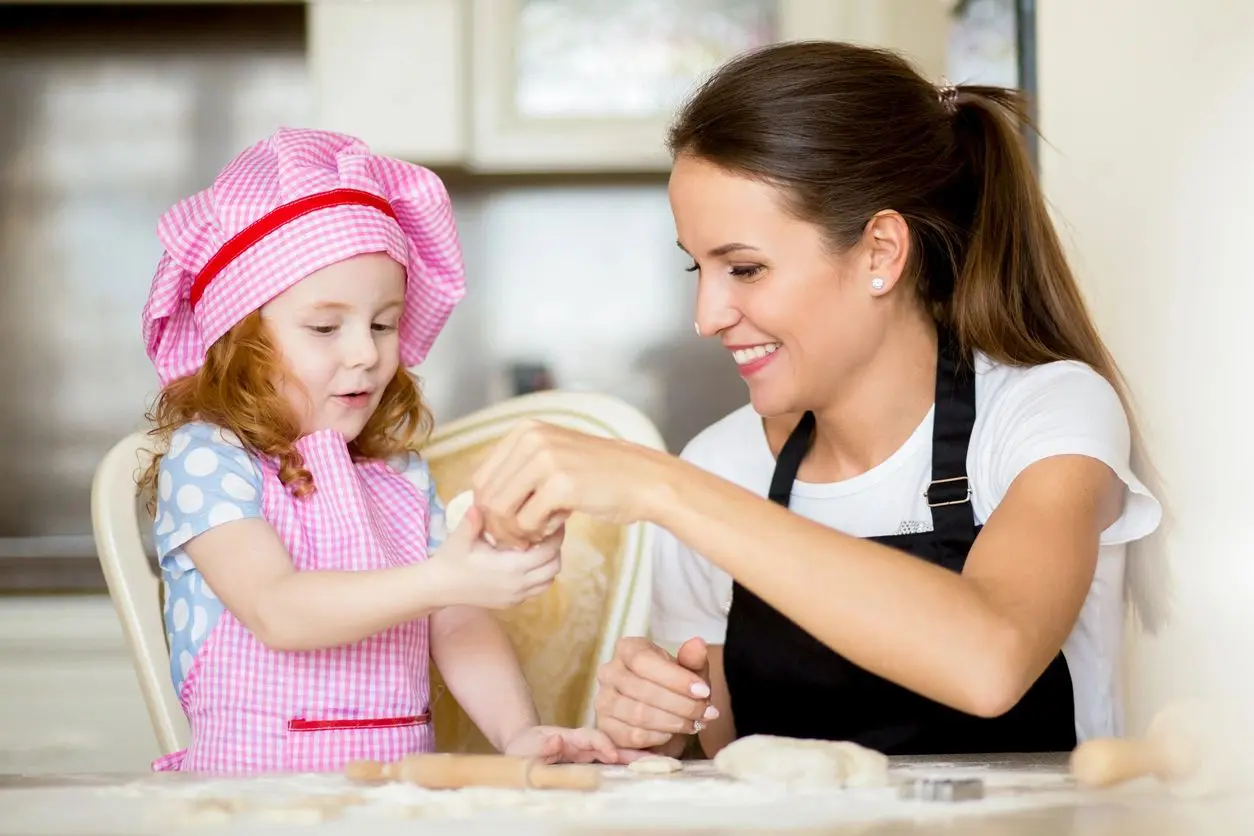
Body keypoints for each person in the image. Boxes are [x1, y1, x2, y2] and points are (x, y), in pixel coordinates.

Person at [467, 41, 1163, 760]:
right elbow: (730, 748)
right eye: (697, 267)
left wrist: (662, 485)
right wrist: (665, 720)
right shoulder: (721, 463)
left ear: (880, 254)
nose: (706, 316)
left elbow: (990, 660)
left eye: (744, 268)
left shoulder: (1046, 417)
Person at [137, 128, 619, 773]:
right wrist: (440, 578)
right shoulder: (208, 459)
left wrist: (518, 734)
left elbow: (456, 621)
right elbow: (278, 610)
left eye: (383, 323)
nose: (366, 352)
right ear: (236, 341)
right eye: (326, 326)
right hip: (255, 802)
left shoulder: (397, 475)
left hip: (395, 799)